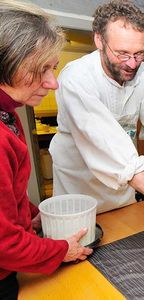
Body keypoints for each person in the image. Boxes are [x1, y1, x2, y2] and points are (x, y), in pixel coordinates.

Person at [49, 0, 144, 230]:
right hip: (79, 192)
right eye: (122, 54)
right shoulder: (76, 78)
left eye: (139, 54)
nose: (132, 64)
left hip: (124, 190)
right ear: (99, 40)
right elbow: (105, 143)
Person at [0, 1, 93, 299]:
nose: (53, 83)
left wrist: (31, 215)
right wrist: (62, 250)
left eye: (53, 69)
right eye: (41, 70)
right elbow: (3, 242)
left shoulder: (8, 112)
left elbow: (8, 194)